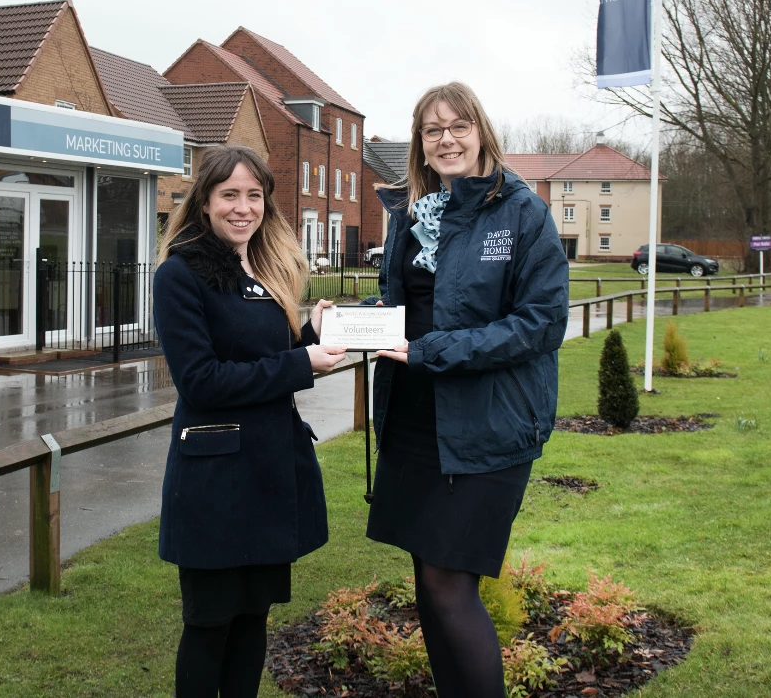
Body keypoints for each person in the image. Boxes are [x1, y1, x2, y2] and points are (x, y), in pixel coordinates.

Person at [365, 82, 569, 697]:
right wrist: (346, 323)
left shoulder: (521, 212)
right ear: (420, 143)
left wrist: (434, 351)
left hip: (488, 425)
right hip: (414, 419)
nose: (447, 139)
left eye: (458, 126)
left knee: (450, 585)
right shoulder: (410, 216)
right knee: (428, 584)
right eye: (433, 130)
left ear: (481, 132)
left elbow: (542, 323)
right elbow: (403, 307)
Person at [153, 144, 348, 698]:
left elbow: (264, 359)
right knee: (209, 623)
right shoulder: (180, 274)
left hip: (268, 471)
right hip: (215, 480)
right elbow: (202, 381)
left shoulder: (260, 267)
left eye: (254, 195)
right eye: (229, 195)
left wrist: (309, 336)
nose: (243, 208)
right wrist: (301, 362)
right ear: (204, 202)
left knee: (252, 618)